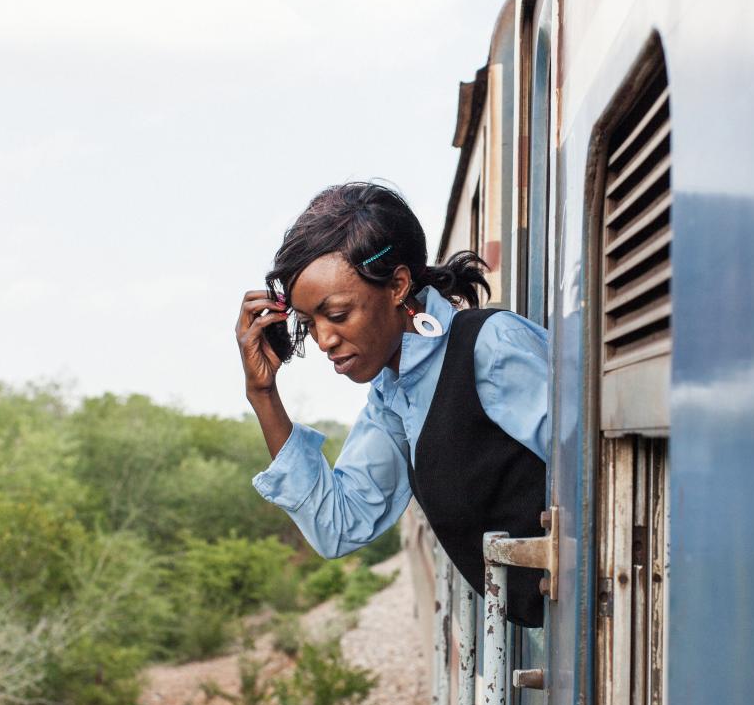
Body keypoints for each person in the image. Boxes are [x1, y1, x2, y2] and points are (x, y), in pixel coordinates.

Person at [235, 181, 549, 627]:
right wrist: (263, 395)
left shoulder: (493, 348)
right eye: (309, 323)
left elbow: (597, 482)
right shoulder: (392, 395)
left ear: (398, 285)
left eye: (338, 314)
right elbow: (339, 525)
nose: (324, 340)